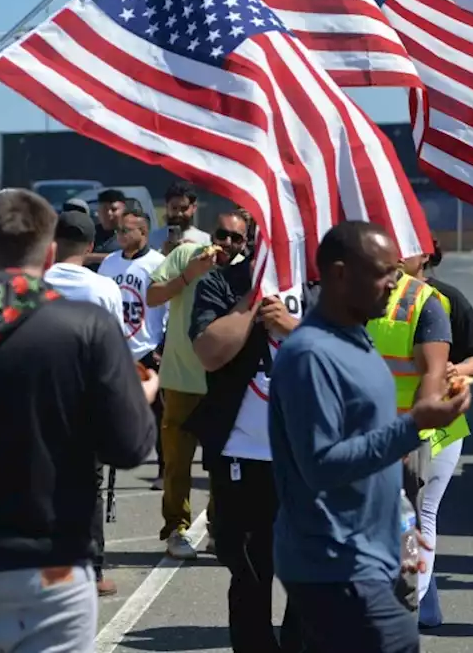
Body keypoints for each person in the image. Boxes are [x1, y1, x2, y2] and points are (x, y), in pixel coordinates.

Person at [271, 221, 473, 653]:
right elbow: (320, 464)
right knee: (398, 642)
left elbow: (368, 445)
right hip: (332, 561)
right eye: (383, 272)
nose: (393, 284)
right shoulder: (312, 355)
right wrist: (414, 425)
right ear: (341, 274)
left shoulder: (356, 339)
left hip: (368, 554)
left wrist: (397, 514)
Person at [0, 190, 159, 649]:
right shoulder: (84, 325)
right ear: (51, 252)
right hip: (52, 563)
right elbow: (129, 446)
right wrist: (140, 396)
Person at [185, 211, 303, 653]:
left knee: (307, 571)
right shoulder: (221, 283)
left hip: (305, 459)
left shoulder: (317, 287)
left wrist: (292, 328)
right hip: (240, 456)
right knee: (249, 572)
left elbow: (348, 353)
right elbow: (210, 353)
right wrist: (251, 304)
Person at [364, 239, 469, 621]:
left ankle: (408, 609)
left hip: (418, 435)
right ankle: (419, 608)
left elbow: (434, 373)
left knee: (417, 516)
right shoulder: (352, 295)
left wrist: (411, 431)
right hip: (366, 436)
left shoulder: (427, 300)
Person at [42, 209, 129, 594]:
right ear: (91, 246)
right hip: (86, 400)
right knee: (87, 486)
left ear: (53, 242)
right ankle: (90, 570)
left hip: (40, 397)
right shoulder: (103, 288)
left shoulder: (35, 280)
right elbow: (117, 347)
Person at [416, 238, 473, 629]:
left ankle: (415, 604)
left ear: (425, 255)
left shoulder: (448, 298)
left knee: (424, 511)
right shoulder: (376, 297)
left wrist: (455, 370)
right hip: (393, 425)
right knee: (399, 516)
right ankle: (425, 604)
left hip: (443, 424)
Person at [146, 221, 225, 560]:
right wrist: (187, 276)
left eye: (238, 238)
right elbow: (152, 296)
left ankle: (220, 529)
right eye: (223, 236)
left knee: (223, 464)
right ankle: (176, 529)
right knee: (177, 464)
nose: (228, 244)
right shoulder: (186, 255)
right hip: (180, 379)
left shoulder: (245, 267)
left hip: (223, 383)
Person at [99, 205, 170, 489]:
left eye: (125, 230)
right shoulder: (109, 264)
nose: (119, 235)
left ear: (143, 232)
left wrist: (162, 346)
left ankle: (165, 469)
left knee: (159, 415)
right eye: (117, 230)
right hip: (117, 348)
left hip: (148, 347)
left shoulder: (157, 263)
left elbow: (169, 307)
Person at [162, 180, 212, 251]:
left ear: (194, 208)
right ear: (166, 207)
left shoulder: (204, 240)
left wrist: (195, 251)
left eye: (184, 208)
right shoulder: (153, 238)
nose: (179, 213)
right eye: (174, 208)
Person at [85, 187, 127, 270]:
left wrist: (90, 258)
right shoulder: (89, 233)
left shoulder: (131, 233)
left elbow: (130, 257)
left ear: (124, 210)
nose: (109, 213)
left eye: (114, 209)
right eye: (104, 209)